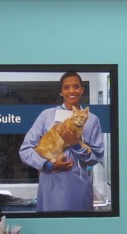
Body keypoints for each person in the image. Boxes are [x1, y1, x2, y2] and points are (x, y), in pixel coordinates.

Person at [19, 71, 105, 212]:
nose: (72, 91)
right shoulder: (46, 116)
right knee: (50, 230)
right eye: (66, 87)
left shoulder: (92, 120)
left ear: (82, 89)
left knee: (79, 230)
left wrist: (75, 144)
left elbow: (97, 157)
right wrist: (48, 165)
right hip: (50, 185)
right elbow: (25, 150)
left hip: (78, 186)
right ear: (61, 91)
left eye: (76, 86)